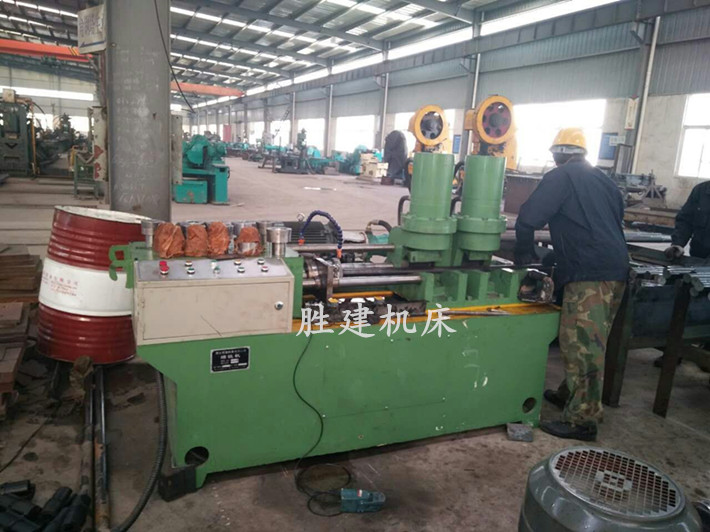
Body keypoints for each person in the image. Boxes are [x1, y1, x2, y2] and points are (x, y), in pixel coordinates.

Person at [514, 128, 629, 442]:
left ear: (557, 154)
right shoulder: (604, 180)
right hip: (617, 268)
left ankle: (583, 421)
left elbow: (528, 218)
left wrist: (523, 252)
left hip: (590, 272)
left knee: (582, 344)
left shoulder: (560, 176)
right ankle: (569, 394)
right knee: (589, 338)